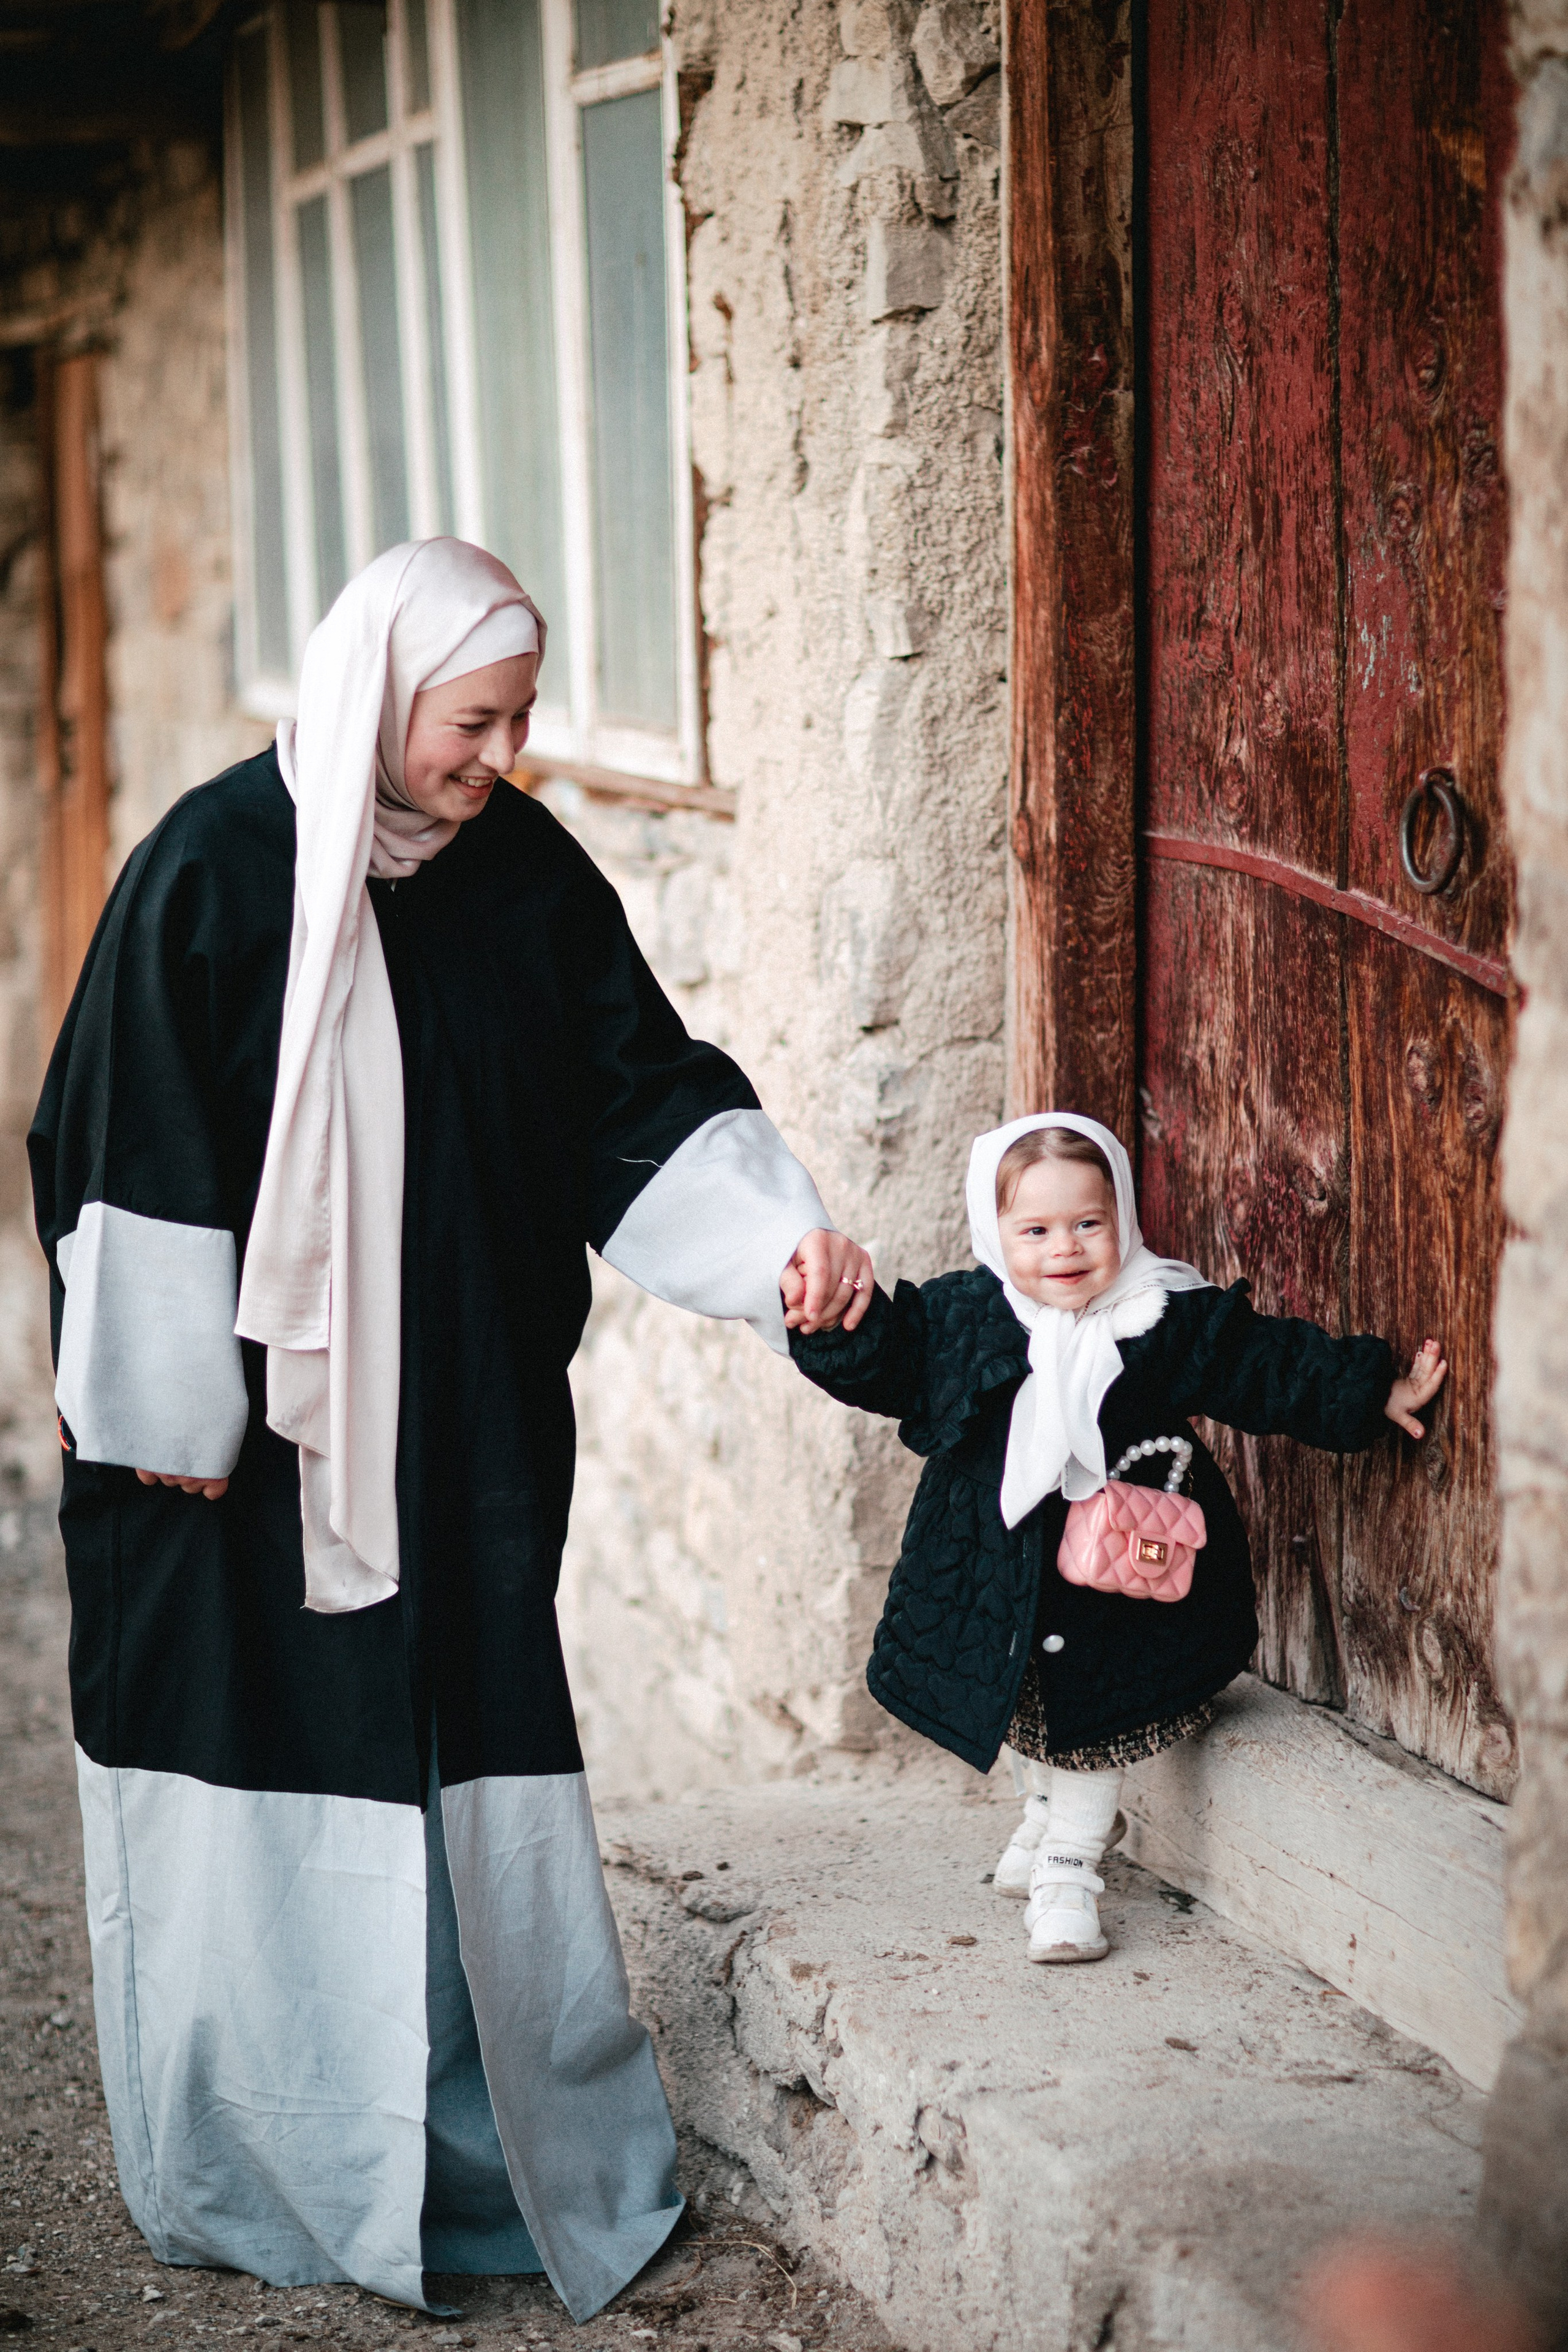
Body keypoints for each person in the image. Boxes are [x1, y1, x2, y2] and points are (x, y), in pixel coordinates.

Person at [28, 538, 872, 2321]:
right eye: (471, 721)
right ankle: (273, 2161)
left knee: (448, 1761)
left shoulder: (524, 875)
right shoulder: (210, 871)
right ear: (381, 689)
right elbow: (123, 1132)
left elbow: (637, 1085)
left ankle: (470, 2163)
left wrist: (773, 1242)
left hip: (463, 1425)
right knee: (260, 1754)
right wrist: (165, 1402)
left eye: (520, 718)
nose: (502, 755)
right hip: (231, 1457)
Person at [787, 1112, 1445, 1965]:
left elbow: (1263, 1364)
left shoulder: (1158, 1314)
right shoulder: (969, 1316)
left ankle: (1070, 1872)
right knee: (1023, 1706)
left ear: (1122, 1218)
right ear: (995, 1231)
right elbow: (893, 1358)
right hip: (1000, 1573)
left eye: (1088, 1223)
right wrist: (834, 1325)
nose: (1064, 1248)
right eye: (1035, 1230)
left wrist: (1368, 1391)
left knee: (1097, 1713)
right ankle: (1042, 1814)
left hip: (1126, 1583)